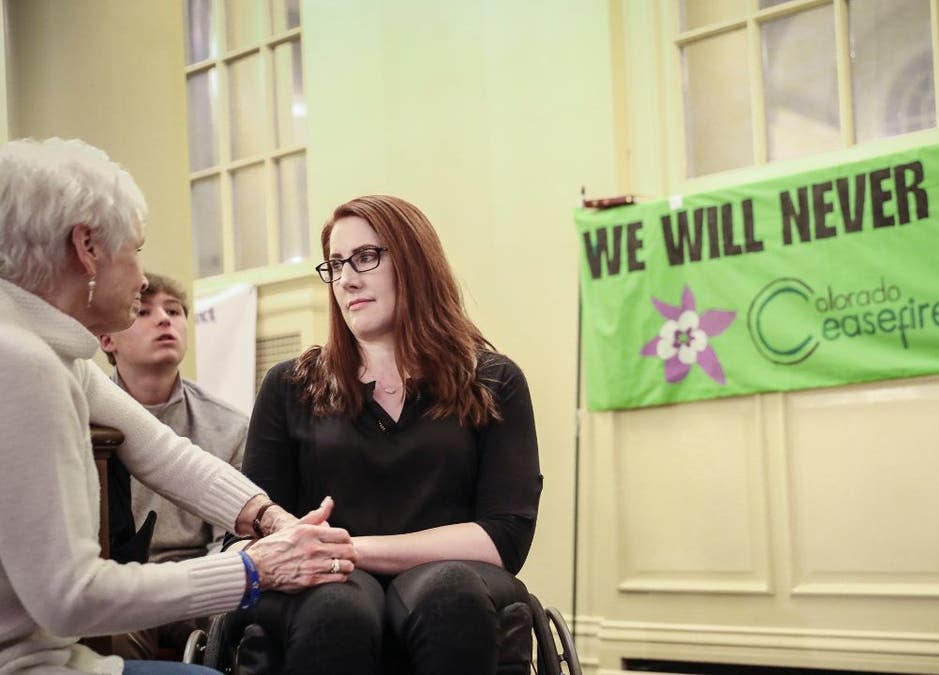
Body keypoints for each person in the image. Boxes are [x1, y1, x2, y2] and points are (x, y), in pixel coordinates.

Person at [0, 137, 357, 675]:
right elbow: (70, 596)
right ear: (87, 246)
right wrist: (253, 570)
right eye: (136, 248)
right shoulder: (23, 365)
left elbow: (164, 452)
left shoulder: (50, 350)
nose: (144, 277)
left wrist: (269, 517)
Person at [238, 195, 542, 674]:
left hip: (454, 581)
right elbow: (258, 527)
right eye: (336, 265)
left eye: (366, 257)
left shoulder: (493, 380)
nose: (348, 280)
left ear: (416, 264)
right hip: (324, 587)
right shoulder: (289, 386)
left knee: (450, 593)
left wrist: (351, 550)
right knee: (335, 607)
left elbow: (505, 536)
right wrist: (331, 560)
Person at [99, 273, 249, 660]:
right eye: (143, 311)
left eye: (174, 310)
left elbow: (228, 540)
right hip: (121, 586)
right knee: (112, 633)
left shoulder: (230, 424)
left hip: (199, 583)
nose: (164, 320)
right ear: (107, 340)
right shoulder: (87, 420)